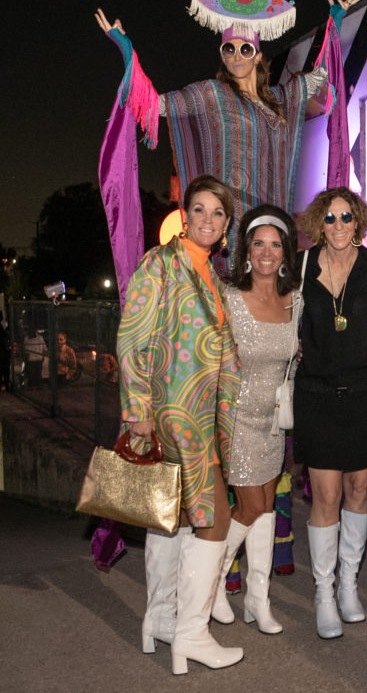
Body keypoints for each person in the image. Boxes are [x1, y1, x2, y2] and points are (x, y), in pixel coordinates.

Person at [94, 0, 363, 272]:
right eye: (229, 49)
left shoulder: (281, 99)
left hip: (270, 225)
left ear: (257, 56)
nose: (236, 55)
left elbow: (322, 75)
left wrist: (335, 21)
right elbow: (155, 106)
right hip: (228, 227)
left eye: (245, 49)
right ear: (222, 55)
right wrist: (126, 49)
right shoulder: (212, 94)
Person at [117, 174, 244, 674]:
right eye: (199, 210)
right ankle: (191, 633)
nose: (208, 220)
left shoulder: (211, 275)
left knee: (171, 517)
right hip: (174, 412)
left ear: (227, 223)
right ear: (184, 214)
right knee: (215, 519)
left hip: (206, 414)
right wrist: (138, 410)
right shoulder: (160, 264)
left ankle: (160, 619)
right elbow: (132, 338)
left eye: (218, 213)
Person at [294, 186, 367, 639]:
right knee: (325, 495)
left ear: (359, 222)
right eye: (329, 219)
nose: (337, 226)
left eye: (346, 218)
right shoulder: (302, 267)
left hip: (366, 391)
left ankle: (349, 583)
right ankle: (324, 592)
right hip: (315, 394)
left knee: (361, 486)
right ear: (318, 222)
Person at [212, 204, 302, 636]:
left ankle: (257, 600)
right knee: (249, 507)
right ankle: (210, 586)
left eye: (276, 244)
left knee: (266, 508)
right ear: (247, 249)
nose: (267, 252)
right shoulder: (227, 297)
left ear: (286, 252)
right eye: (259, 242)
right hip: (236, 419)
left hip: (273, 422)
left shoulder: (294, 300)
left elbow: (295, 357)